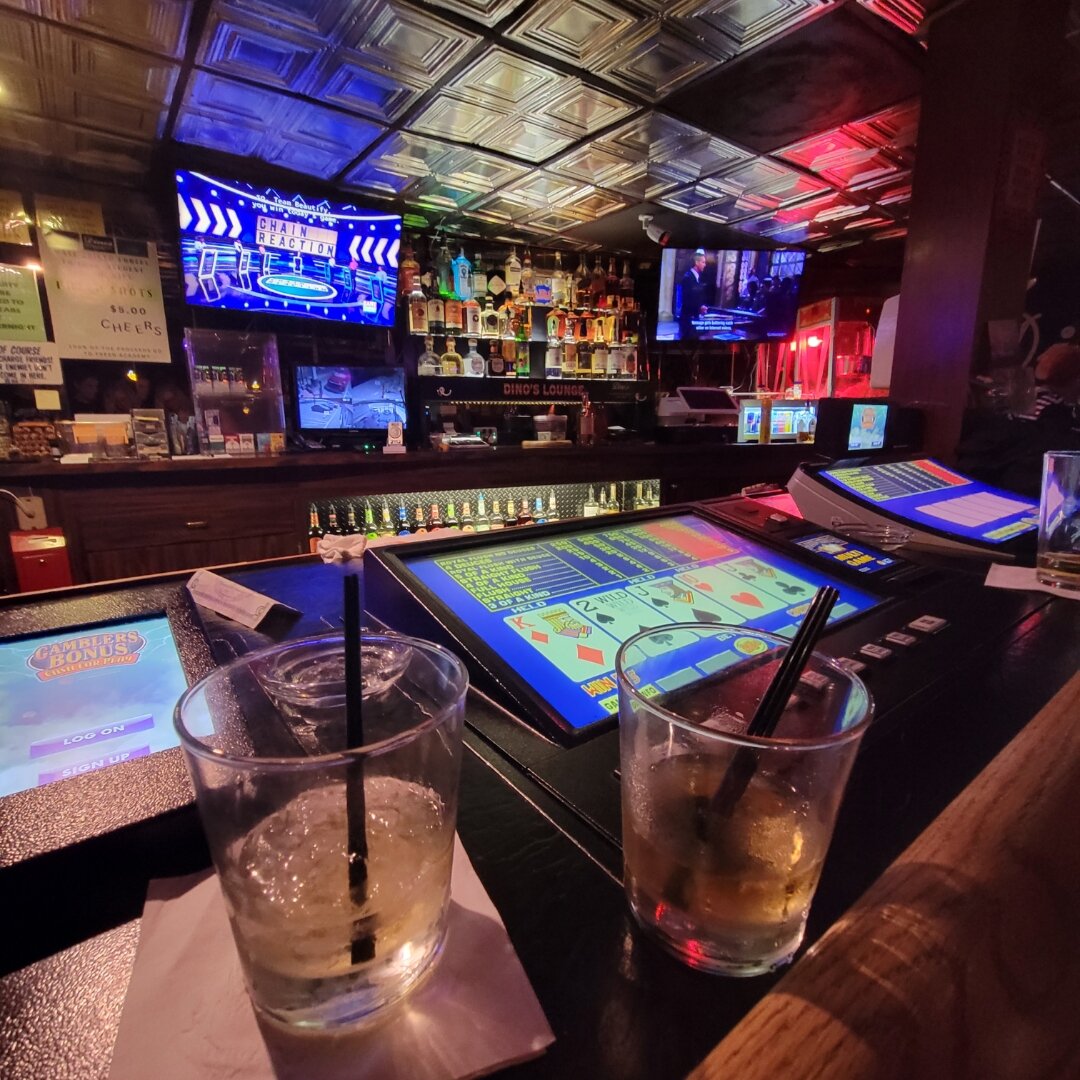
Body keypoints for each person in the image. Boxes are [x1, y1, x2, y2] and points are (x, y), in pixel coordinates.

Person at [678, 250, 709, 341]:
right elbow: (687, 300)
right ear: (696, 262)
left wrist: (701, 306)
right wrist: (699, 308)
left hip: (693, 319)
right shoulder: (688, 277)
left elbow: (695, 297)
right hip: (688, 320)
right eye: (703, 262)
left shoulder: (696, 277)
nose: (705, 265)